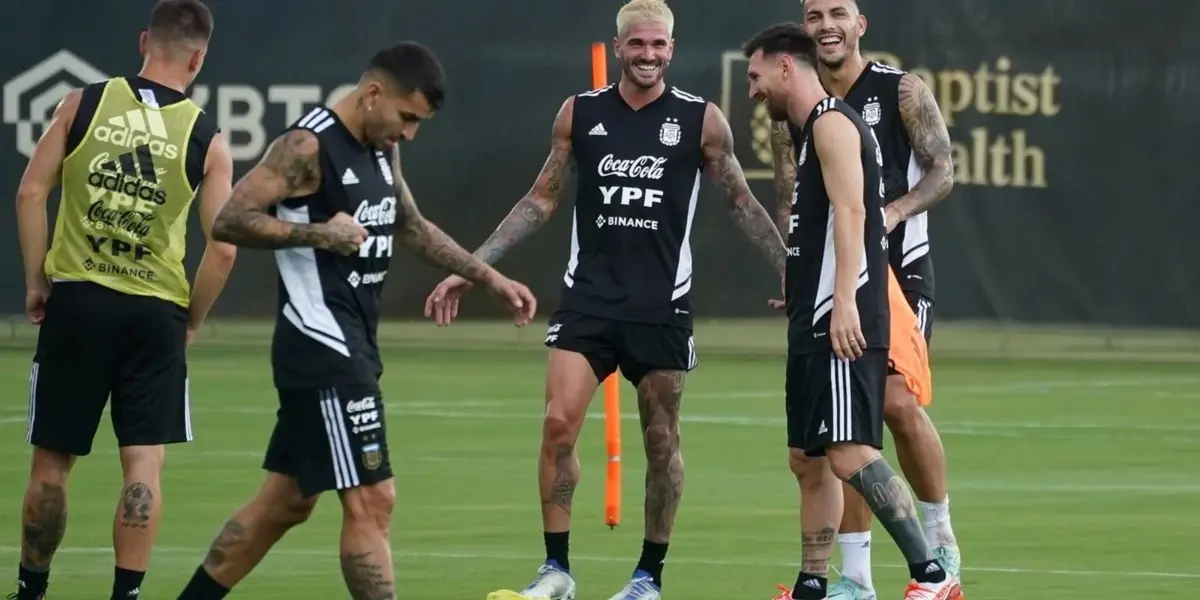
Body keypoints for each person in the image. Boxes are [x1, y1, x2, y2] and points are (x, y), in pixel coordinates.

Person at [424, 0, 786, 597]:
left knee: (661, 441)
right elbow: (540, 199)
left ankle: (648, 577)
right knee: (558, 426)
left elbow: (742, 202)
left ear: (673, 48)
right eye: (637, 44)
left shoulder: (701, 121)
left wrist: (787, 269)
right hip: (587, 301)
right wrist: (473, 266)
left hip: (661, 307)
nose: (648, 55)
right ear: (618, 47)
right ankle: (556, 570)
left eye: (659, 45)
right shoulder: (580, 113)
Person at [171, 42, 537, 600]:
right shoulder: (306, 145)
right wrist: (322, 233)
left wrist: (489, 277)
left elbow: (410, 226)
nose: (410, 133)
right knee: (373, 498)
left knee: (284, 504)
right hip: (321, 345)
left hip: (351, 342)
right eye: (407, 118)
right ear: (372, 94)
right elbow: (230, 220)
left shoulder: (381, 148)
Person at [12, 2, 235, 599]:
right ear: (199, 57)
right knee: (143, 465)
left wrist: (37, 282)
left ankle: (31, 591)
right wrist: (190, 317)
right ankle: (126, 595)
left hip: (78, 302)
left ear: (144, 42)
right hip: (154, 313)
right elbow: (223, 251)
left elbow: (31, 192)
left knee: (53, 463)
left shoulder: (82, 103)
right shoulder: (207, 137)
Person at [742, 23, 963, 600]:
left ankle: (932, 573)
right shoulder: (805, 128)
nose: (752, 89)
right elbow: (806, 217)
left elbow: (851, 216)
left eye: (755, 75)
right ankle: (817, 584)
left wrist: (842, 304)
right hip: (812, 309)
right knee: (807, 455)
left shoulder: (836, 125)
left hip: (843, 310)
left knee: (848, 449)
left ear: (786, 67)